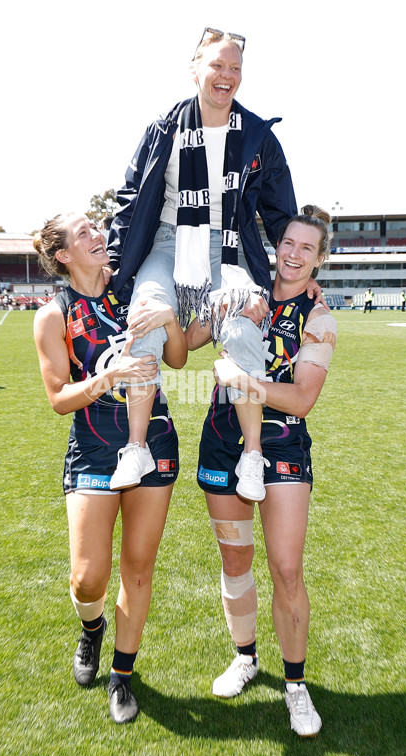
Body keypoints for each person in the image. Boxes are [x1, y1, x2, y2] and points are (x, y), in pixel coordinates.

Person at [105, 27, 297, 502]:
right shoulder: (163, 128)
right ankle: (136, 447)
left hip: (227, 249)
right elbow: (131, 197)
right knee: (145, 317)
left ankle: (252, 454)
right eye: (218, 65)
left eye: (235, 68)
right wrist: (114, 260)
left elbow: (280, 211)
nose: (226, 76)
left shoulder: (257, 136)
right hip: (167, 243)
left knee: (242, 327)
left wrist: (299, 271)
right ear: (195, 69)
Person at [186, 205, 337, 738]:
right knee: (235, 562)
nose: (294, 255)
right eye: (288, 243)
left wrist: (242, 379)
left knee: (287, 569)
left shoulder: (318, 319)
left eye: (306, 248)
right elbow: (183, 351)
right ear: (277, 245)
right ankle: (246, 657)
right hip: (224, 443)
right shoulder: (240, 289)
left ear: (320, 258)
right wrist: (169, 312)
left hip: (282, 446)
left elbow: (300, 400)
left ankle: (296, 685)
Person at [33, 213, 186, 724]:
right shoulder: (54, 315)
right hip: (95, 450)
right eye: (84, 233)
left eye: (98, 227)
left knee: (139, 568)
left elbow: (181, 354)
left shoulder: (137, 283)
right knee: (87, 579)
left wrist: (168, 319)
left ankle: (122, 675)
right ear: (63, 255)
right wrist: (112, 374)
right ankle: (92, 629)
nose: (98, 235)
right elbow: (58, 399)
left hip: (154, 440)